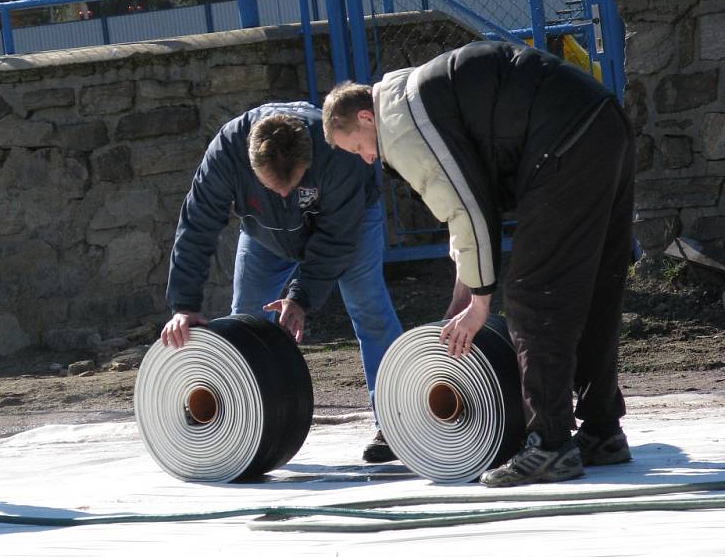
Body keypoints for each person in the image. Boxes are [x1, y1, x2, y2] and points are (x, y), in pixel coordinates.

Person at [322, 41, 635, 486]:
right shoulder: (416, 97)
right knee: (594, 288)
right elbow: (469, 208)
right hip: (603, 121)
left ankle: (550, 445)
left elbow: (466, 210)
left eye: (356, 147)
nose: (367, 159)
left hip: (563, 140)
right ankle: (602, 431)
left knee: (532, 296)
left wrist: (481, 303)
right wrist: (464, 290)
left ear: (365, 118)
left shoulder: (400, 126)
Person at [161, 101, 403, 462]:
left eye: (294, 185)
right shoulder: (227, 152)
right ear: (250, 165)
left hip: (347, 223)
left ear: (310, 159)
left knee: (368, 306)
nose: (287, 196)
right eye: (275, 188)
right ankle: (239, 420)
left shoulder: (338, 152)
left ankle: (395, 422)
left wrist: (300, 297)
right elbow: (197, 226)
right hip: (265, 234)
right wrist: (184, 306)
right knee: (244, 318)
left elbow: (336, 240)